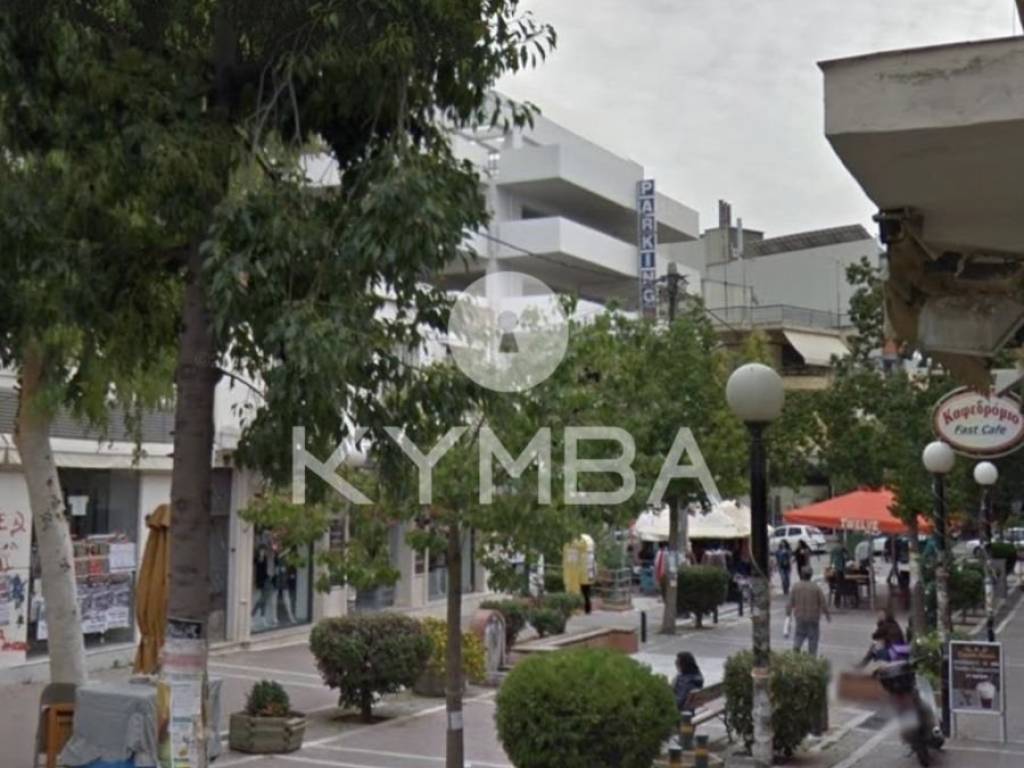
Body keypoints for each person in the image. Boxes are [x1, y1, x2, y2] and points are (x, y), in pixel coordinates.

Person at [786, 566, 831, 656]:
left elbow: (790, 602)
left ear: (801, 575)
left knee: (799, 635)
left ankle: (796, 651)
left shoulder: (796, 587)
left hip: (800, 616)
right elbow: (823, 602)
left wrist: (788, 614)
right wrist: (827, 615)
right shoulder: (816, 588)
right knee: (813, 638)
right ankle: (812, 656)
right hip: (813, 617)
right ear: (811, 575)